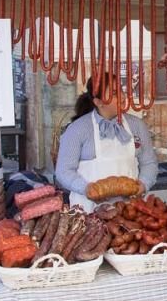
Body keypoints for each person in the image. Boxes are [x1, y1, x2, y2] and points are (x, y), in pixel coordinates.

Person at [54, 76, 158, 213]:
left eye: (121, 90)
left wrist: (144, 184)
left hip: (130, 212)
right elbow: (63, 171)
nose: (122, 96)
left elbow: (149, 162)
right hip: (87, 212)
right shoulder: (77, 130)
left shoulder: (137, 126)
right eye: (115, 93)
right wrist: (86, 188)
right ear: (98, 102)